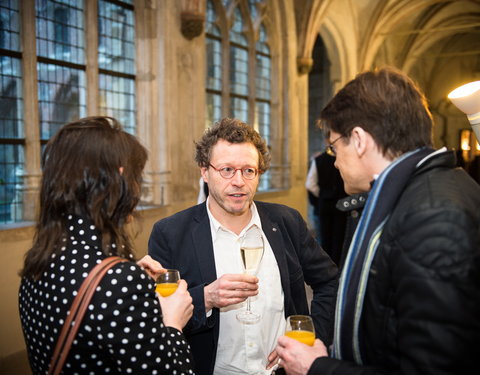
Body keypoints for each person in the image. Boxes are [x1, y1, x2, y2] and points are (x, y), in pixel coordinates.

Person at [275, 67, 480, 375]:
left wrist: (318, 367)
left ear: (358, 140)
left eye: (334, 147)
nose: (335, 160)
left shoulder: (433, 216)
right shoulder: (423, 190)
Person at [148, 117, 338, 375]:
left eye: (249, 170)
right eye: (226, 170)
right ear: (205, 171)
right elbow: (155, 315)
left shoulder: (286, 222)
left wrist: (311, 338)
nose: (239, 181)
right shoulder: (170, 233)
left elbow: (330, 282)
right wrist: (206, 298)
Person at [18, 116, 195, 374]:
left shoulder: (42, 258)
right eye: (137, 177)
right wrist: (172, 323)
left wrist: (128, 280)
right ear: (120, 178)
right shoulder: (117, 280)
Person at [305, 150, 347, 265]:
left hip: (326, 205)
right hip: (343, 205)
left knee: (325, 239)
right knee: (340, 239)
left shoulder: (319, 160)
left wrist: (324, 195)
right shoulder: (346, 157)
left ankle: (326, 269)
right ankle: (339, 268)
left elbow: (310, 184)